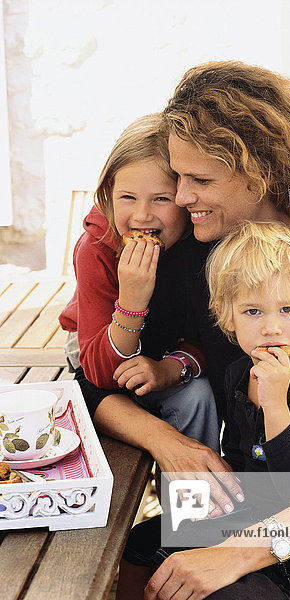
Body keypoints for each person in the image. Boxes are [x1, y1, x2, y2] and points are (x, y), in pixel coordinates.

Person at [80, 61, 290, 599]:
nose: (181, 197)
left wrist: (239, 552)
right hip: (250, 497)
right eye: (178, 177)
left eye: (200, 180)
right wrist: (171, 444)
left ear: (263, 172)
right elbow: (96, 386)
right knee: (115, 551)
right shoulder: (189, 266)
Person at [118, 220, 290, 599]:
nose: (272, 327)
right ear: (225, 316)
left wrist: (276, 406)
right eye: (252, 312)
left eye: (287, 308)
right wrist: (205, 506)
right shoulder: (237, 373)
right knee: (142, 541)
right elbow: (242, 456)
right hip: (251, 508)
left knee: (214, 585)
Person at [58, 113, 219, 451]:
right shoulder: (96, 249)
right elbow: (100, 376)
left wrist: (171, 368)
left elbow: (215, 339)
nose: (142, 215)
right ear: (107, 195)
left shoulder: (204, 243)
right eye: (127, 198)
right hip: (98, 335)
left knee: (198, 396)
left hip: (174, 340)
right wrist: (131, 301)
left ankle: (196, 503)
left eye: (161, 198)